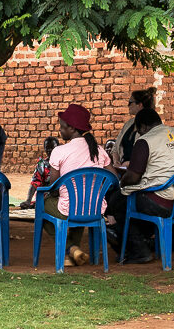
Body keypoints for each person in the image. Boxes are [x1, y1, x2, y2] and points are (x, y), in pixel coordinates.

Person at [106, 106, 174, 264]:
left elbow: (133, 177)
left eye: (138, 131)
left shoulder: (145, 141)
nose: (138, 134)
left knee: (118, 200)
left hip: (161, 203)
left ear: (142, 127)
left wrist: (121, 182)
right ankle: (169, 242)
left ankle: (139, 250)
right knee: (137, 200)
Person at [44, 104, 113, 267]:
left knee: (43, 206)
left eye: (62, 127)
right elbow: (113, 177)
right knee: (80, 205)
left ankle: (70, 249)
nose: (60, 131)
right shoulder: (99, 150)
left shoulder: (60, 151)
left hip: (69, 208)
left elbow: (53, 184)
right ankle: (72, 253)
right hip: (94, 208)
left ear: (72, 128)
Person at [111, 87, 157, 167]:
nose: (128, 105)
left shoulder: (152, 125)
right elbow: (115, 148)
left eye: (130, 102)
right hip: (123, 168)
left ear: (139, 105)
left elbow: (151, 155)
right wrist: (116, 161)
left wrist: (130, 164)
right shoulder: (129, 123)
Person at [19, 136, 59, 208]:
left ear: (58, 148)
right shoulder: (42, 164)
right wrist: (28, 200)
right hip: (45, 195)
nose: (50, 150)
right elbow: (35, 182)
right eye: (47, 148)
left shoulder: (63, 163)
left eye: (52, 148)